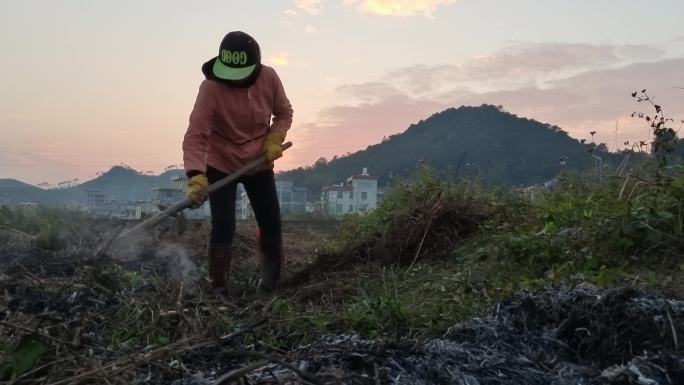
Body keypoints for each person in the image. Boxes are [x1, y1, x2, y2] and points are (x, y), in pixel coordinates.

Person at [182, 31, 293, 295]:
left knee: (271, 223)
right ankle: (218, 288)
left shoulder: (269, 78)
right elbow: (196, 134)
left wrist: (274, 139)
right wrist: (197, 175)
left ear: (255, 68)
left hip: (258, 161)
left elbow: (284, 113)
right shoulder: (210, 88)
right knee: (224, 226)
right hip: (220, 162)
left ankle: (271, 282)